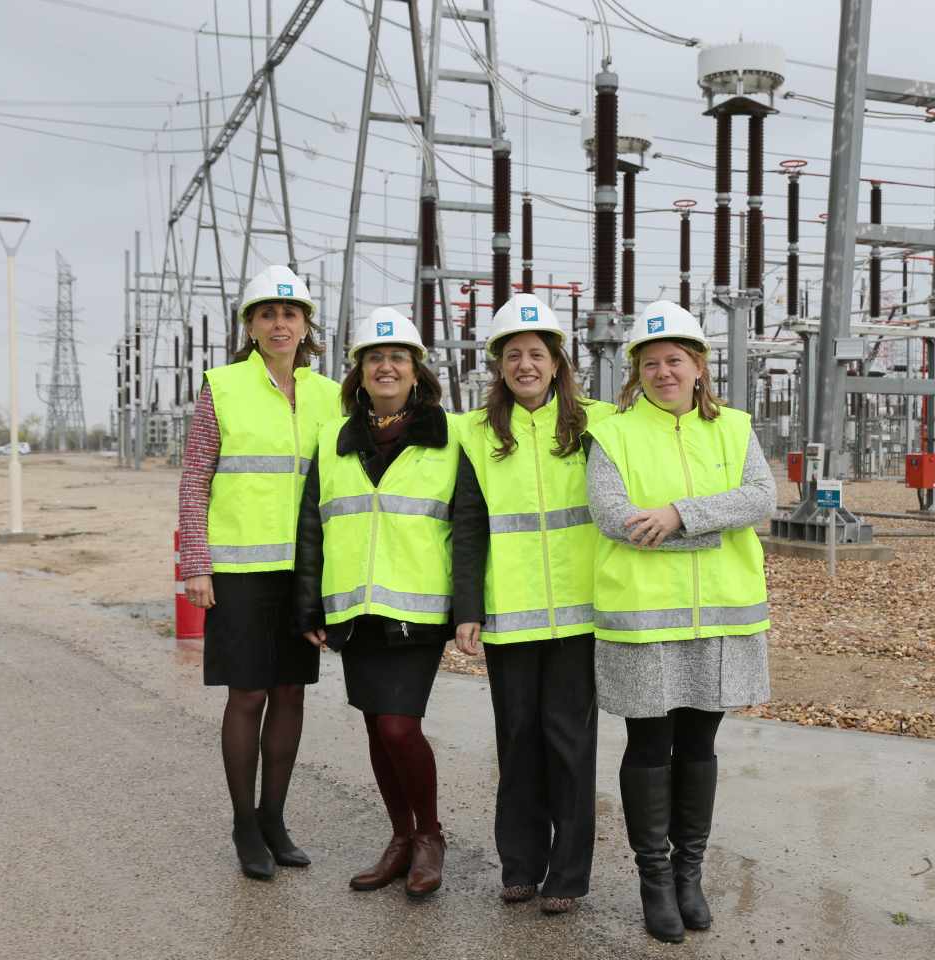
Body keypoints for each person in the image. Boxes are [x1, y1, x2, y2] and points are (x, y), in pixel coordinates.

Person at [584, 300, 774, 943]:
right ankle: (655, 879)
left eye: (675, 360)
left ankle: (690, 873)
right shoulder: (612, 434)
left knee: (699, 746)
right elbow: (615, 516)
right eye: (651, 363)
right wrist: (703, 526)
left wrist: (676, 516)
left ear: (698, 366)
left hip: (720, 617)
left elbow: (762, 497)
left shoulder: (734, 428)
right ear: (635, 373)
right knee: (648, 747)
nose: (664, 372)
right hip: (643, 620)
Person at [177, 265, 341, 881]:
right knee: (246, 695)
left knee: (291, 693)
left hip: (302, 573)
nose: (280, 324)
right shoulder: (221, 386)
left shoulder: (329, 394)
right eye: (267, 314)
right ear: (250, 324)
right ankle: (244, 824)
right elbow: (195, 478)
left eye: (290, 313)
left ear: (306, 324)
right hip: (238, 571)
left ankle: (275, 818)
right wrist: (196, 564)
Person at [452, 293, 611, 915]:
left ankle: (568, 875)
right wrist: (468, 608)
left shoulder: (596, 425)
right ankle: (521, 865)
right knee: (517, 741)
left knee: (569, 744)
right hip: (510, 616)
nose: (525, 364)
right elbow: (467, 526)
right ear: (498, 363)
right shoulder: (474, 432)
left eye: (536, 354)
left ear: (556, 361)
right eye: (513, 354)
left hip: (579, 613)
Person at [293, 308, 457, 899]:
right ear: (358, 373)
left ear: (417, 371)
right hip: (353, 610)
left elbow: (466, 526)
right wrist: (310, 607)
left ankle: (430, 836)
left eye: (398, 358)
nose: (386, 367)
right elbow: (312, 526)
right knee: (374, 729)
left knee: (397, 725)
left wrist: (467, 608)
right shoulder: (335, 442)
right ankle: (399, 837)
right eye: (374, 358)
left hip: (416, 610)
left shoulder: (449, 436)